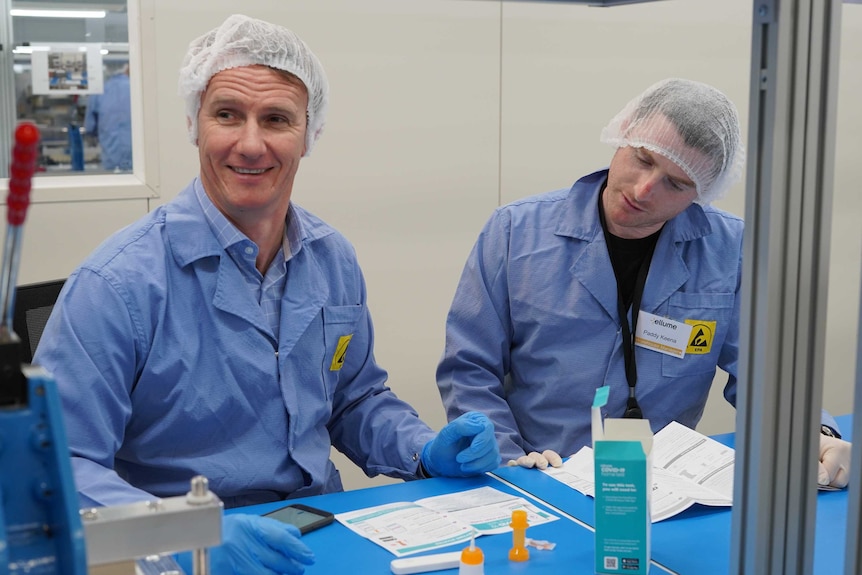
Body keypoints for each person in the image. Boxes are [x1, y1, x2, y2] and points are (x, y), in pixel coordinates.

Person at [35, 14, 500, 575]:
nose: (250, 144)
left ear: (310, 134)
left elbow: (354, 398)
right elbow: (59, 465)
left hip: (320, 534)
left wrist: (422, 452)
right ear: (195, 123)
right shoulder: (117, 284)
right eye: (227, 114)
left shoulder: (332, 259)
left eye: (276, 119)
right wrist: (186, 534)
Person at [435, 78, 851, 489]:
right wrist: (507, 461)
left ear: (702, 193)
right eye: (643, 159)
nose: (644, 189)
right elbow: (471, 366)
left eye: (677, 183)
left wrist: (813, 435)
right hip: (540, 473)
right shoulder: (515, 231)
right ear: (622, 136)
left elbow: (767, 373)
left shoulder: (731, 249)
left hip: (663, 488)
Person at [84, 64, 132, 171]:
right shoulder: (136, 89)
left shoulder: (100, 89)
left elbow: (90, 126)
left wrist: (91, 136)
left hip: (110, 154)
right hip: (135, 155)